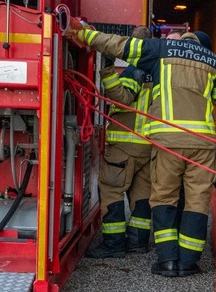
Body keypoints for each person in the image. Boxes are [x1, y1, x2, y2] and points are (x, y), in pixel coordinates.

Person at [66, 25, 216, 277]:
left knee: (163, 198)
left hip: (166, 141)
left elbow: (120, 45)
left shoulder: (161, 51)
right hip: (201, 143)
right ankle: (187, 263)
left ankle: (166, 261)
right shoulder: (212, 60)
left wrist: (85, 34)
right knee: (197, 201)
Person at [86, 26, 154, 259]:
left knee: (112, 190)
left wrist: (106, 70)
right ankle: (138, 242)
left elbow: (122, 98)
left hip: (125, 145)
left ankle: (113, 244)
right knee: (141, 194)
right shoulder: (158, 72)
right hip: (148, 145)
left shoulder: (136, 71)